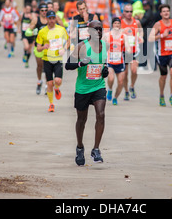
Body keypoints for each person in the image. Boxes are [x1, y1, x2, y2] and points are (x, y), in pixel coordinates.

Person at [65, 20, 109, 166]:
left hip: (98, 86)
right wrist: (80, 63)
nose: (98, 31)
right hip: (83, 89)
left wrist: (105, 71)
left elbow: (104, 65)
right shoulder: (82, 47)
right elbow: (68, 66)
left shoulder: (105, 46)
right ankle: (79, 147)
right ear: (89, 32)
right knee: (81, 120)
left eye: (100, 29)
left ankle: (96, 149)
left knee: (101, 115)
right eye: (95, 29)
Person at [149, 4, 172, 106]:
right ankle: (161, 95)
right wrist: (162, 35)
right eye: (164, 11)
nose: (166, 13)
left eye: (167, 11)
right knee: (163, 76)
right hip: (162, 54)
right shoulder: (158, 25)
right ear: (161, 13)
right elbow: (150, 38)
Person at [36, 10, 69, 112]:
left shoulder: (61, 29)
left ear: (55, 18)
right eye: (49, 19)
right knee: (49, 83)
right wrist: (43, 47)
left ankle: (57, 88)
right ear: (46, 19)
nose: (51, 20)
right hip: (47, 59)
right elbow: (38, 48)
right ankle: (51, 104)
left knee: (57, 81)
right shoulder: (42, 32)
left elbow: (68, 41)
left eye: (53, 18)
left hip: (58, 59)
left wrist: (64, 49)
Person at [103, 17, 130, 105]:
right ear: (112, 24)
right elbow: (101, 46)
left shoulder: (124, 36)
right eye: (115, 23)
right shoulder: (107, 35)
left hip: (120, 62)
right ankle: (110, 89)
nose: (117, 25)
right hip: (110, 61)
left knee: (121, 82)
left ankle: (115, 97)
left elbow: (128, 47)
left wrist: (128, 49)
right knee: (111, 78)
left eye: (118, 23)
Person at [121, 4, 144, 100]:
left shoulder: (136, 22)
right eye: (127, 11)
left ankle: (132, 86)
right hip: (124, 50)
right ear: (124, 12)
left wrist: (140, 37)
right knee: (125, 73)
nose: (129, 13)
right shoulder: (120, 22)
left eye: (130, 11)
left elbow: (141, 31)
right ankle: (126, 91)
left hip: (134, 50)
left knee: (134, 70)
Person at [28, 3, 48, 94]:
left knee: (47, 66)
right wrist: (31, 32)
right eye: (42, 10)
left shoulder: (50, 19)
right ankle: (39, 81)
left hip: (48, 46)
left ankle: (48, 85)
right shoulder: (36, 20)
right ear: (39, 11)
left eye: (46, 10)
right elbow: (28, 31)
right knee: (40, 65)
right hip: (38, 46)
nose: (44, 12)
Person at [20, 3, 34, 68]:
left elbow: (35, 23)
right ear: (25, 9)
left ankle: (27, 61)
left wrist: (31, 18)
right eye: (27, 9)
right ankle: (25, 54)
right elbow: (19, 22)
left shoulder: (32, 15)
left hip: (31, 35)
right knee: (26, 47)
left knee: (29, 50)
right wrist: (18, 29)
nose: (28, 10)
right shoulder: (22, 15)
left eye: (29, 9)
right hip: (24, 34)